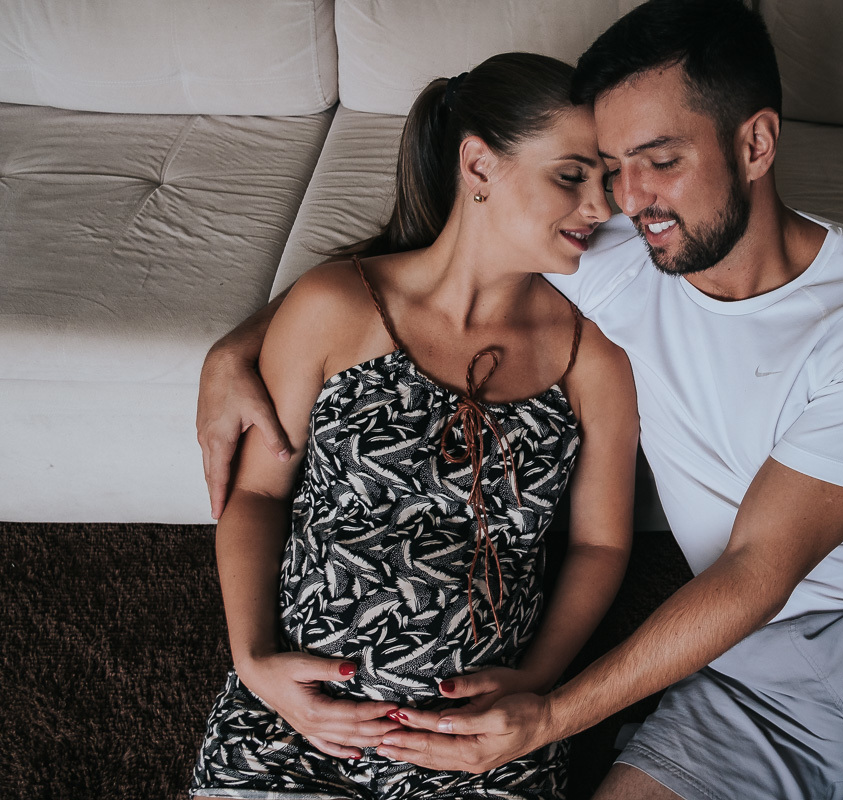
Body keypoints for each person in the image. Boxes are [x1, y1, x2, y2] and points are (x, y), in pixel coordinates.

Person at [198, 3, 843, 799]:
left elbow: (758, 568)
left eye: (661, 161)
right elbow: (428, 264)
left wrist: (547, 713)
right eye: (613, 170)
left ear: (755, 145)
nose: (630, 201)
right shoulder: (616, 248)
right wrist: (237, 347)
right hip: (737, 668)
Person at [190, 52, 638, 800]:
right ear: (479, 166)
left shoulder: (592, 359)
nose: (601, 208)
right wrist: (255, 662)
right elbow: (260, 496)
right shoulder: (337, 306)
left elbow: (600, 542)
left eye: (607, 182)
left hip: (476, 738)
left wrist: (536, 680)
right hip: (302, 717)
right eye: (571, 176)